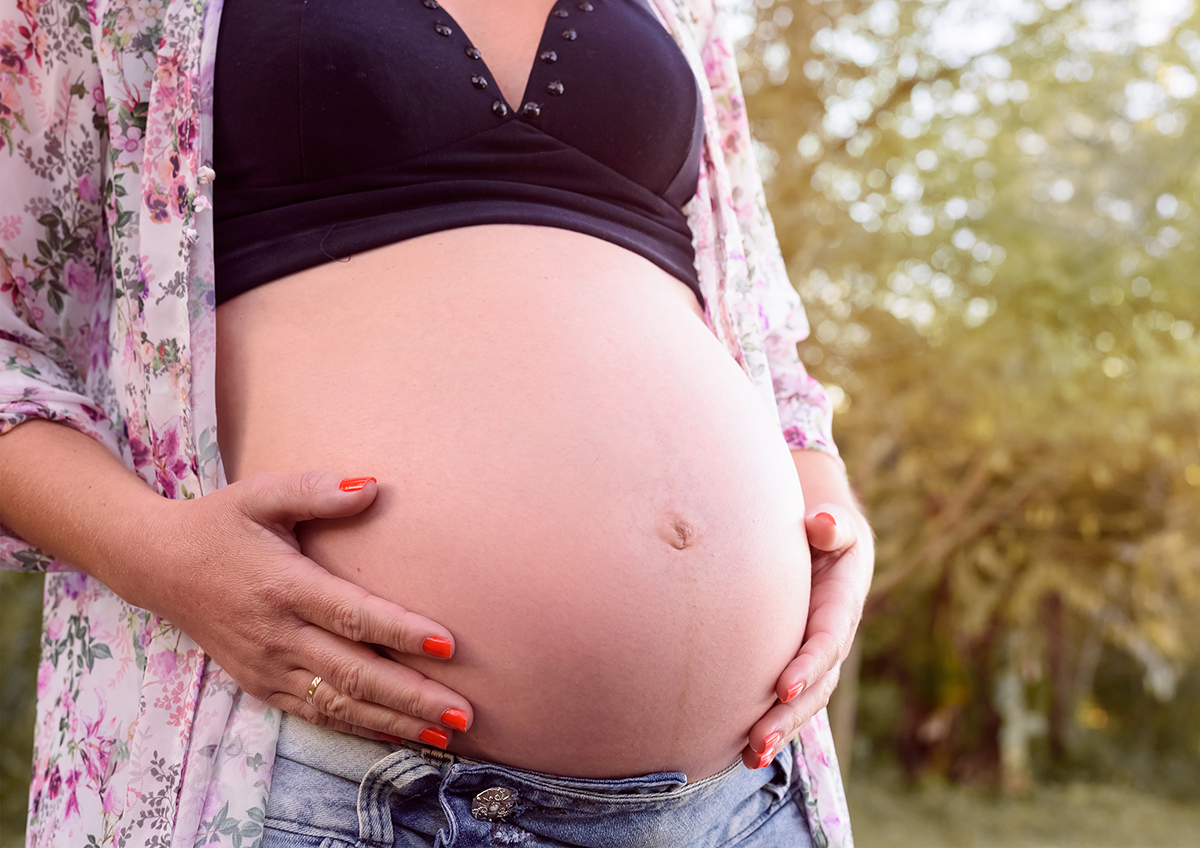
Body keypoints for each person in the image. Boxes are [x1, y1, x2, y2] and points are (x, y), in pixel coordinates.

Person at [0, 0, 873, 845]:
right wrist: (162, 558)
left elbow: (759, 334)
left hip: (746, 802)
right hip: (332, 787)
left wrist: (832, 528)